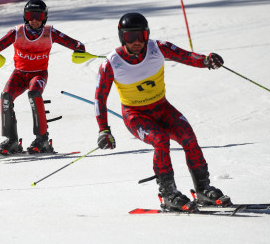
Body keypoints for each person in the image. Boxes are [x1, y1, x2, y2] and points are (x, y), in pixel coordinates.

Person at [94, 12, 230, 212]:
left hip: (162, 108)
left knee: (188, 136)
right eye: (131, 37)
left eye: (141, 35)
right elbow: (99, 98)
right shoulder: (111, 63)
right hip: (135, 116)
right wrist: (103, 130)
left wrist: (206, 61)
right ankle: (168, 194)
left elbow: (186, 56)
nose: (137, 41)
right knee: (160, 139)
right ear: (122, 37)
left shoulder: (158, 48)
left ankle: (203, 189)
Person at [0, 0, 85, 156]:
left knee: (34, 93)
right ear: (25, 16)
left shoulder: (50, 33)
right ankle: (11, 140)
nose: (34, 20)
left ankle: (42, 139)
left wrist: (80, 52)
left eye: (38, 16)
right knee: (6, 96)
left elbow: (78, 45)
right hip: (19, 74)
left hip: (39, 73)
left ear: (44, 17)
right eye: (30, 15)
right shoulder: (17, 32)